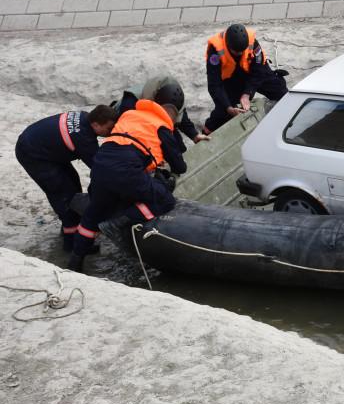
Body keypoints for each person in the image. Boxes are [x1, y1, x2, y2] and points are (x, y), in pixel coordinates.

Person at [69, 100, 187, 273]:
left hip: (101, 163)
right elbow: (180, 166)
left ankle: (75, 263)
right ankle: (118, 222)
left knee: (92, 214)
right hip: (126, 169)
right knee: (165, 200)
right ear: (170, 118)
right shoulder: (162, 127)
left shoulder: (129, 114)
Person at [15, 106, 117, 250]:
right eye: (109, 129)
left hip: (41, 146)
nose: (111, 132)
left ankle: (69, 231)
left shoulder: (85, 118)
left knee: (73, 183)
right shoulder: (84, 138)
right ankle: (71, 245)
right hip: (33, 155)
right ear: (96, 124)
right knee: (64, 194)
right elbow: (101, 169)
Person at [203, 23, 288, 133]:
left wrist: (247, 93)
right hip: (231, 78)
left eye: (242, 51)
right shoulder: (215, 52)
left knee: (279, 88)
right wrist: (228, 108)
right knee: (223, 110)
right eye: (236, 52)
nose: (239, 53)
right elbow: (214, 85)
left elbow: (259, 69)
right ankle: (206, 132)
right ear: (228, 45)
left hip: (251, 70)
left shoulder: (252, 42)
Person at [115, 75, 209, 146]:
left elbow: (181, 118)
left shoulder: (175, 99)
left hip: (156, 123)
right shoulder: (130, 104)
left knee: (178, 147)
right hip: (134, 131)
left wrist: (195, 135)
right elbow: (129, 136)